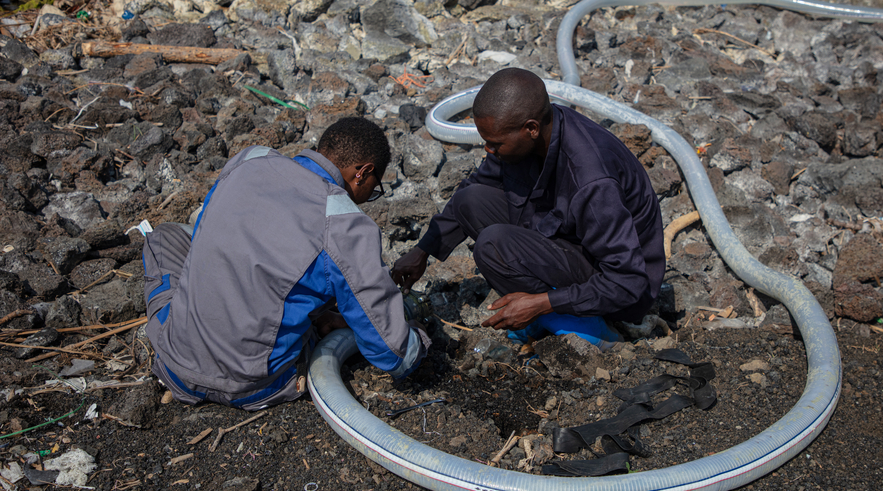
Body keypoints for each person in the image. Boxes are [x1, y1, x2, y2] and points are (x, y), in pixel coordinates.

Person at [142, 116, 430, 410]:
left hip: (174, 363)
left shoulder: (249, 160)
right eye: (374, 187)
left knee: (163, 237)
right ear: (364, 173)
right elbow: (394, 353)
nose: (370, 197)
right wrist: (418, 337)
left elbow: (208, 231)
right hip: (254, 384)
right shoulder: (344, 223)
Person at [391, 68, 664, 347]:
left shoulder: (592, 180)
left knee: (493, 245)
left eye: (495, 144)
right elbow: (477, 184)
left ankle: (587, 329)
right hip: (565, 234)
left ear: (531, 128)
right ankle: (552, 308)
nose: (488, 150)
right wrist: (423, 250)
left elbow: (627, 281)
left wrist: (541, 303)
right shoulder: (532, 133)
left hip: (619, 285)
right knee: (468, 200)